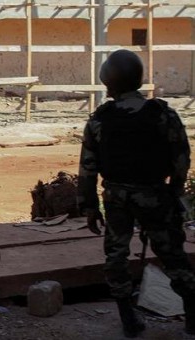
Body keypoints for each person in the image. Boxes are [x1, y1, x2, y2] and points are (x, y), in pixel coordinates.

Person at [77, 49, 195, 338]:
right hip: (155, 196)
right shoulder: (163, 114)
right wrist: (175, 192)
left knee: (116, 257)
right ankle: (192, 320)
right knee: (172, 255)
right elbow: (182, 159)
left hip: (116, 199)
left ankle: (129, 320)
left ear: (109, 83)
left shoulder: (100, 120)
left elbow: (87, 169)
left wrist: (90, 208)